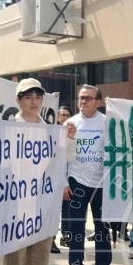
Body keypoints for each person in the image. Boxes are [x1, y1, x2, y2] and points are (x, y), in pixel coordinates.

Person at [1, 78, 54, 265]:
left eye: (38, 96)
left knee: (40, 251)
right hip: (17, 200)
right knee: (16, 254)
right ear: (18, 100)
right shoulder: (8, 128)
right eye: (28, 96)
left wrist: (70, 139)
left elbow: (64, 158)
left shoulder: (51, 130)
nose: (34, 101)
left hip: (44, 200)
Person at [61, 84, 117, 265]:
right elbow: (61, 155)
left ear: (98, 102)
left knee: (102, 227)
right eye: (81, 98)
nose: (83, 101)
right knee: (76, 227)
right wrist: (64, 182)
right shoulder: (69, 123)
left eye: (88, 98)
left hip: (102, 184)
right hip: (77, 181)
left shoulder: (108, 122)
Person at [52, 105, 74, 253]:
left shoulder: (74, 133)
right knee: (53, 209)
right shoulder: (52, 132)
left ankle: (65, 235)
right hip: (54, 176)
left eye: (67, 115)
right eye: (62, 115)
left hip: (70, 175)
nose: (64, 118)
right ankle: (51, 238)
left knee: (67, 208)